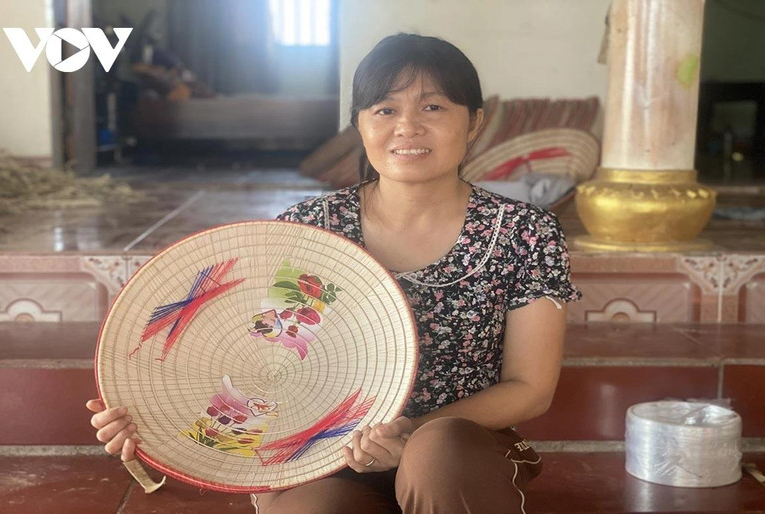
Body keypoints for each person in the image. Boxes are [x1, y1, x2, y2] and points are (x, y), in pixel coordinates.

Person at [87, 33, 581, 514]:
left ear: (474, 122)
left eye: (433, 107)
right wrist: (153, 423)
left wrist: (408, 432)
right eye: (384, 110)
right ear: (359, 125)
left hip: (457, 449)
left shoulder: (523, 232)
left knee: (438, 454)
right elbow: (269, 363)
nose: (407, 127)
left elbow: (529, 387)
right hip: (317, 452)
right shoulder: (312, 229)